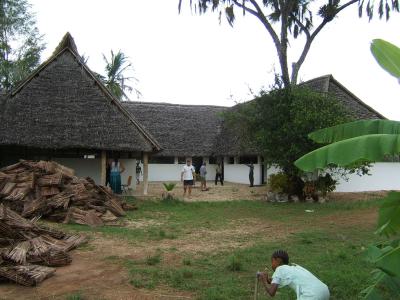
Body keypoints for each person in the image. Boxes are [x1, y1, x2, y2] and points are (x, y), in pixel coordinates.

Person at [258, 250, 330, 299]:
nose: (271, 265)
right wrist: (267, 280)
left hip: (312, 295)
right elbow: (276, 281)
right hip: (324, 291)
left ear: (277, 260)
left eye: (272, 261)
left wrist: (264, 280)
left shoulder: (279, 269)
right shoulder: (293, 268)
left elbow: (271, 293)